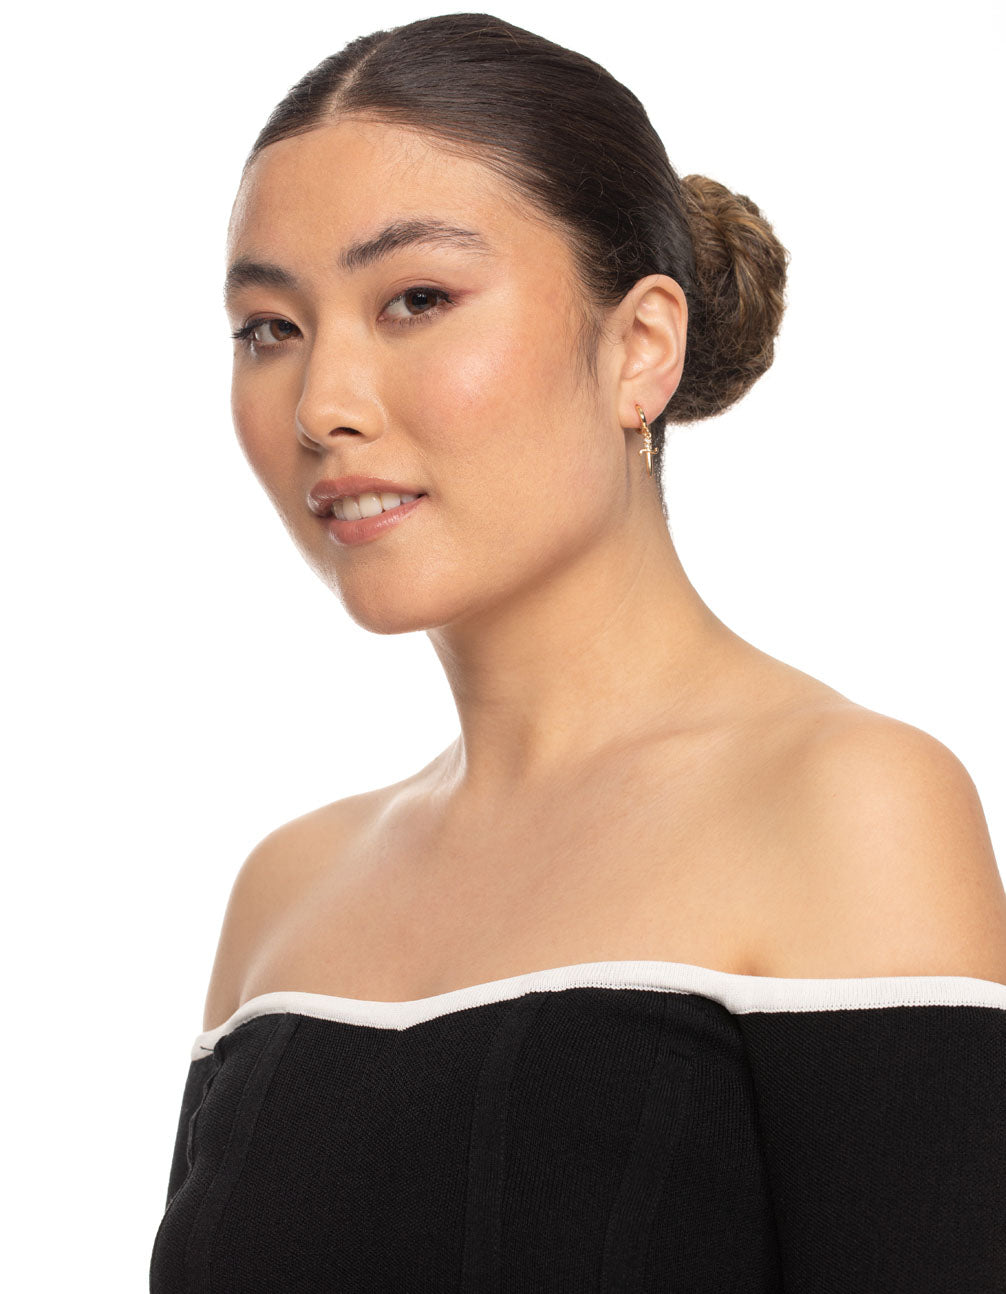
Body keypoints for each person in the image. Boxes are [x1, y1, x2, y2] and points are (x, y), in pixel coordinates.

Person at [149, 12, 1006, 1291]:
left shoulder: (847, 806)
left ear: (638, 347)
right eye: (269, 326)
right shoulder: (287, 892)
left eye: (417, 300)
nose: (323, 403)